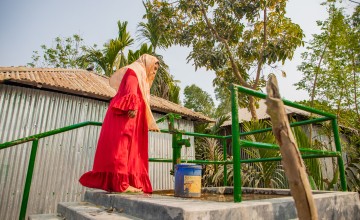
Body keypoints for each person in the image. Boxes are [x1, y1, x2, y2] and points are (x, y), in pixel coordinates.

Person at [79, 54, 160, 193]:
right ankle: (121, 183)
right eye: (154, 67)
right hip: (125, 114)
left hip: (132, 116)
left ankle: (129, 181)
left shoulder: (141, 76)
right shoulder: (134, 70)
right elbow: (130, 87)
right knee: (121, 146)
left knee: (134, 149)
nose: (154, 71)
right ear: (147, 63)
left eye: (156, 69)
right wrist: (132, 106)